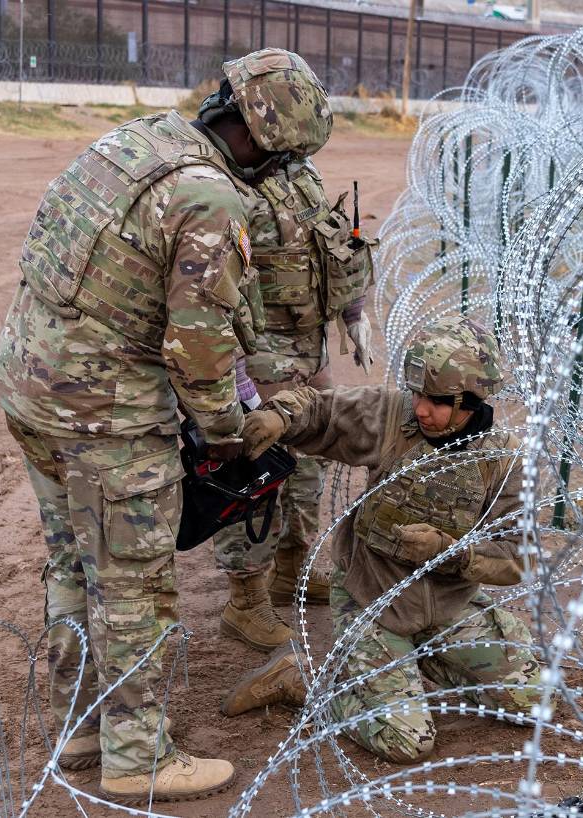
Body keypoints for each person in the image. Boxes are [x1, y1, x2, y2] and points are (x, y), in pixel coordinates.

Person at [0, 48, 331, 802]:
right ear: (268, 150)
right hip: (106, 416)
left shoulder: (141, 140)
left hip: (29, 386)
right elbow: (198, 346)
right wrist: (232, 431)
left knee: (74, 564)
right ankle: (137, 751)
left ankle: (81, 724)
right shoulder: (213, 199)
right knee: (135, 584)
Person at [221, 316, 542, 764]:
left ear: (473, 400)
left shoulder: (502, 462)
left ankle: (421, 660)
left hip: (448, 605)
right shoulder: (395, 419)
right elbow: (322, 410)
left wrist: (453, 553)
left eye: (438, 400)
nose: (422, 408)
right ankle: (304, 679)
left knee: (534, 702)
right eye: (417, 395)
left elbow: (520, 558)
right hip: (374, 600)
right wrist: (281, 415)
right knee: (406, 741)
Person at [209, 108, 377, 652]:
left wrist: (354, 317)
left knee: (310, 467)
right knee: (258, 475)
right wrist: (235, 377)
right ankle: (246, 601)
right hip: (255, 355)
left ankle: (293, 570)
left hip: (309, 350)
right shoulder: (225, 185)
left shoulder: (302, 174)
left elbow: (334, 251)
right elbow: (213, 294)